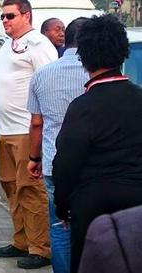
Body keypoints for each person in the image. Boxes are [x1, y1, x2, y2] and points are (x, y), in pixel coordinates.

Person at [52, 14, 142, 273]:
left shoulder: (82, 107)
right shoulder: (139, 98)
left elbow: (66, 165)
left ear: (84, 58)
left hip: (94, 208)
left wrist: (61, 205)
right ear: (122, 53)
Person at [0, 0, 55, 269]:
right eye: (3, 16)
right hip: (6, 130)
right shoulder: (6, 48)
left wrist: (41, 127)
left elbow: (48, 86)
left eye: (10, 16)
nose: (5, 21)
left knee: (31, 190)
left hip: (27, 130)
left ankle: (41, 247)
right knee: (11, 187)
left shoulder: (39, 46)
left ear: (26, 16)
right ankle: (21, 240)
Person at [26, 17, 88, 273]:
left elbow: (37, 124)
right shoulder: (96, 74)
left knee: (60, 227)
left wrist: (34, 158)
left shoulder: (42, 74)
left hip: (54, 162)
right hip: (90, 163)